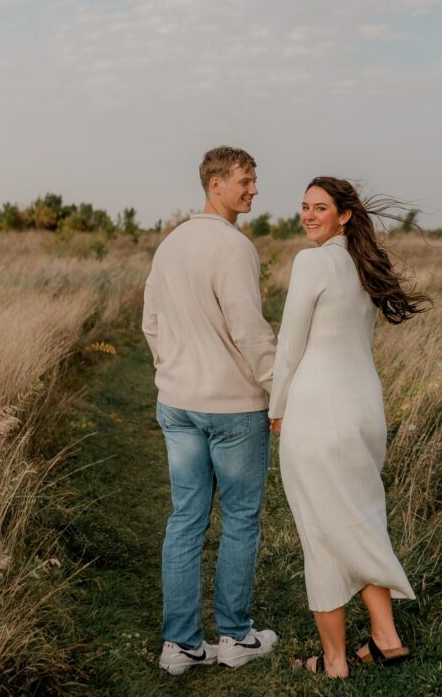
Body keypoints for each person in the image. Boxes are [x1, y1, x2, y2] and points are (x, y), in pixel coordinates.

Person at [269, 176, 430, 678]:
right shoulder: (364, 264)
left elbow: (290, 345)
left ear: (344, 215)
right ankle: (385, 636)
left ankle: (335, 660)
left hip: (318, 412)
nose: (308, 215)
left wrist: (276, 406)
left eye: (320, 207)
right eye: (304, 206)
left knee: (321, 530)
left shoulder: (312, 262)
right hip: (364, 410)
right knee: (358, 520)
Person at [141, 146, 280, 674]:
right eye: (245, 180)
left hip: (178, 403)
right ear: (215, 184)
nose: (254, 189)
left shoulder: (170, 244)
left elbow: (151, 322)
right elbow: (249, 329)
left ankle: (180, 646)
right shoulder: (234, 247)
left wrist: (170, 368)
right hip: (233, 408)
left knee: (186, 517)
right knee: (240, 518)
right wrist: (277, 389)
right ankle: (235, 637)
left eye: (254, 179)